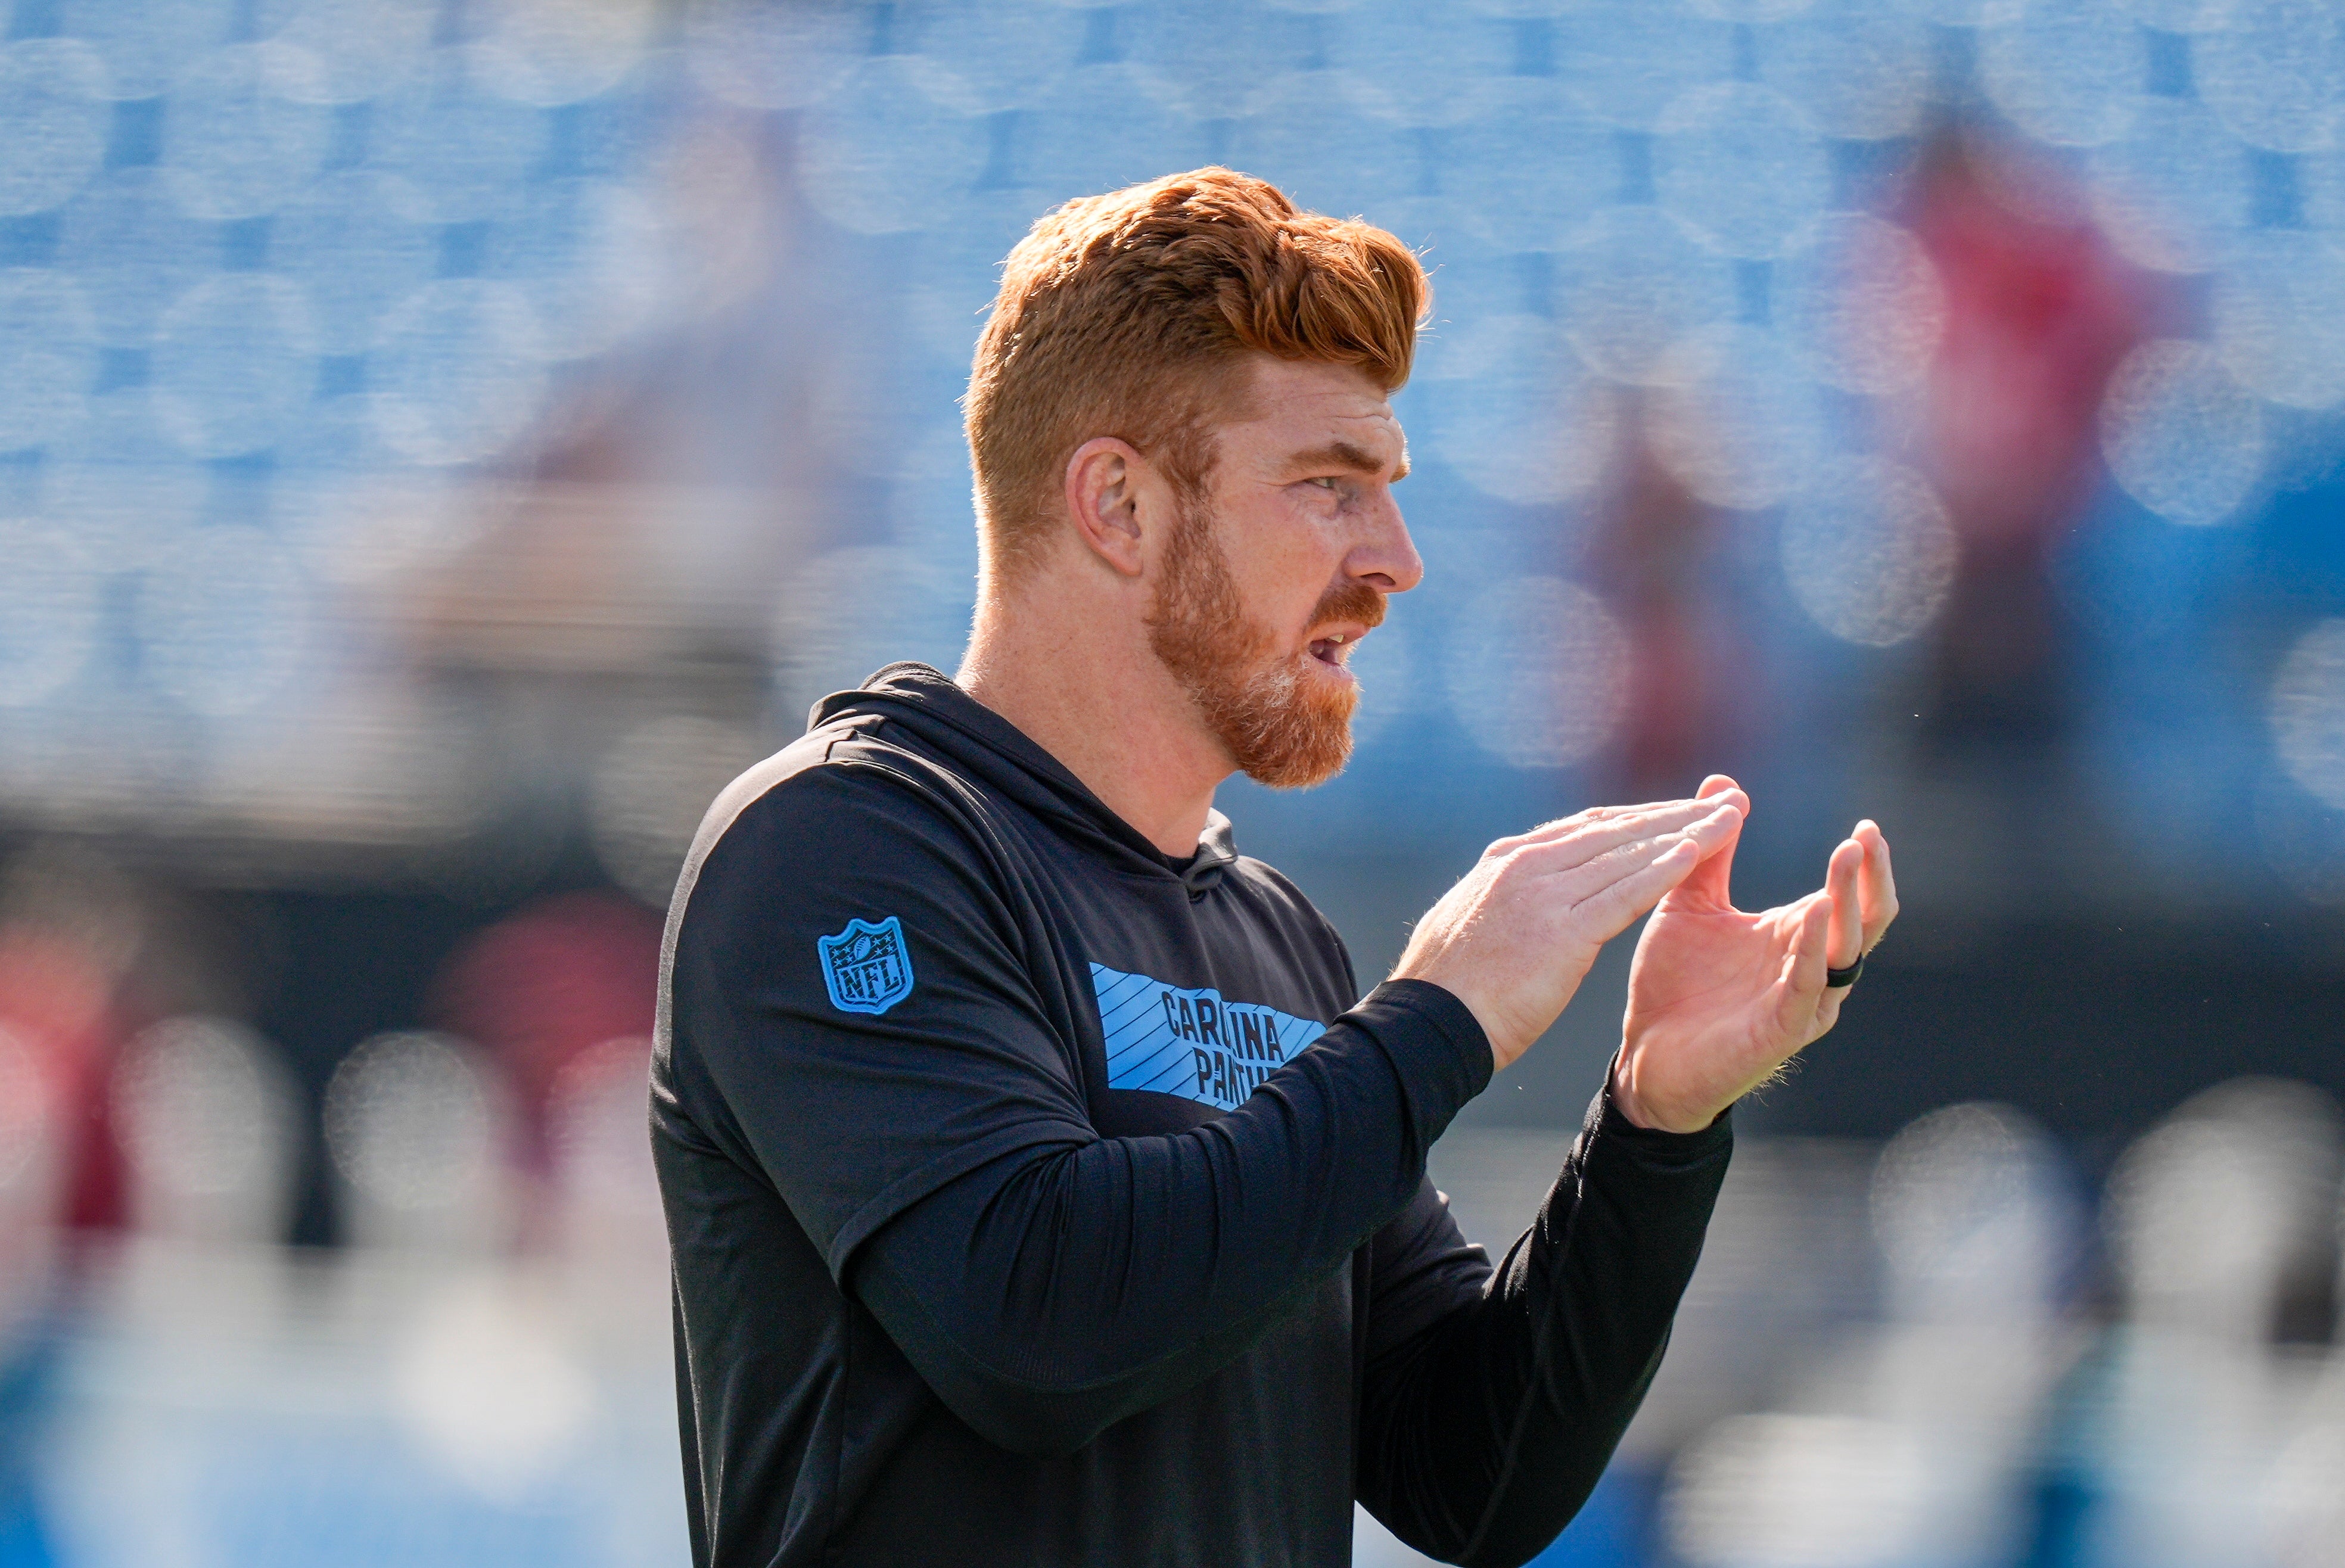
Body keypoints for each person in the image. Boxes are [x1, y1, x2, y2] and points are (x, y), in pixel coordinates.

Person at [651, 169, 1898, 1568]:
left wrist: (1656, 1121)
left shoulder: (1273, 933)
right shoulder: (841, 848)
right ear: (1117, 504)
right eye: (1328, 488)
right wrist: (1440, 1020)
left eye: (1390, 493)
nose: (1399, 561)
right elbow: (1033, 1324)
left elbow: (1463, 1473)